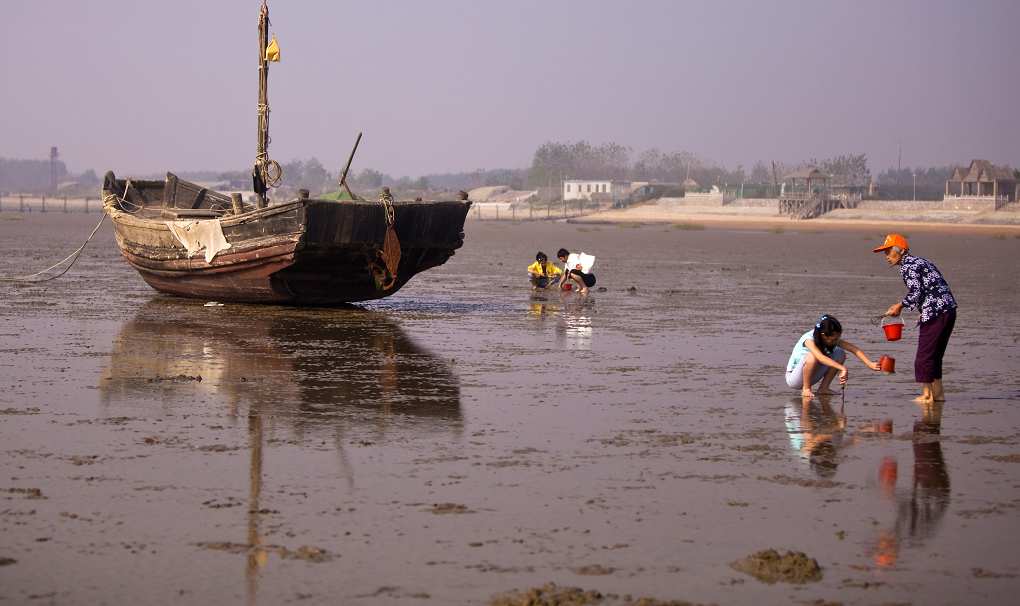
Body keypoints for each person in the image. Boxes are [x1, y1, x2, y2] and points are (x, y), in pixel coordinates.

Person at [873, 233, 957, 404]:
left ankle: (927, 395)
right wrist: (921, 307)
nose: (887, 257)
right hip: (949, 309)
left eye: (889, 252)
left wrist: (900, 306)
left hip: (935, 312)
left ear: (902, 251)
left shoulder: (907, 266)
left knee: (924, 356)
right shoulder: (921, 261)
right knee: (935, 355)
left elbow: (916, 291)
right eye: (885, 253)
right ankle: (938, 394)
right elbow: (933, 286)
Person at [785, 315, 881, 399]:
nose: (836, 341)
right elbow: (820, 357)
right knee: (813, 356)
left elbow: (853, 349)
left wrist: (869, 364)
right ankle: (806, 389)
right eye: (834, 339)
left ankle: (824, 388)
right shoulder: (809, 339)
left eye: (838, 338)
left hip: (811, 375)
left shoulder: (830, 338)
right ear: (824, 335)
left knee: (840, 352)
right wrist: (842, 368)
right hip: (795, 378)